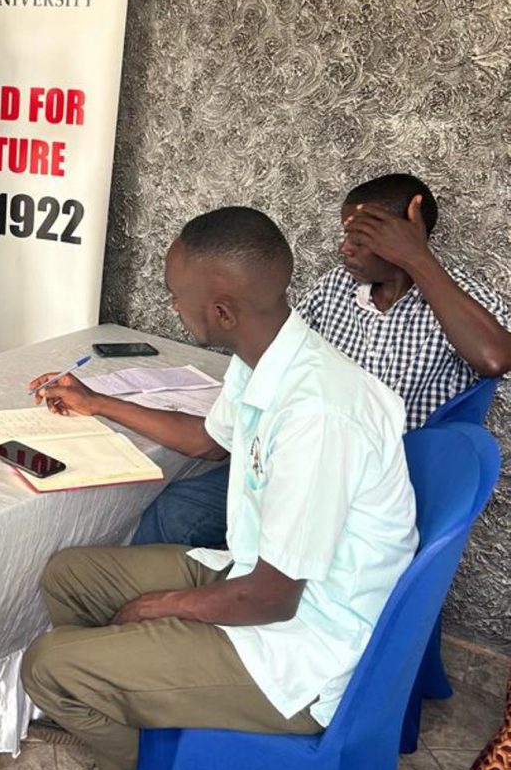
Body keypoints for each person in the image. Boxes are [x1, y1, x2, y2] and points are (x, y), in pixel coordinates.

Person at [21, 207, 417, 770]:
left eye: (175, 295)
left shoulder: (318, 415)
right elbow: (210, 442)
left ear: (222, 311)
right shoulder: (265, 357)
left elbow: (272, 599)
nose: (172, 306)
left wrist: (161, 608)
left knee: (47, 665)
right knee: (70, 577)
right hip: (256, 575)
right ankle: (130, 696)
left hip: (305, 643)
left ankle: (158, 757)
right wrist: (98, 402)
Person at [134, 173, 511, 547]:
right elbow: (278, 346)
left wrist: (418, 260)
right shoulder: (336, 287)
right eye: (345, 235)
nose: (345, 249)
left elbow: (495, 359)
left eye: (362, 238)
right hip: (299, 456)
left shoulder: (458, 297)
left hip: (378, 486)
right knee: (177, 510)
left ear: (408, 236)